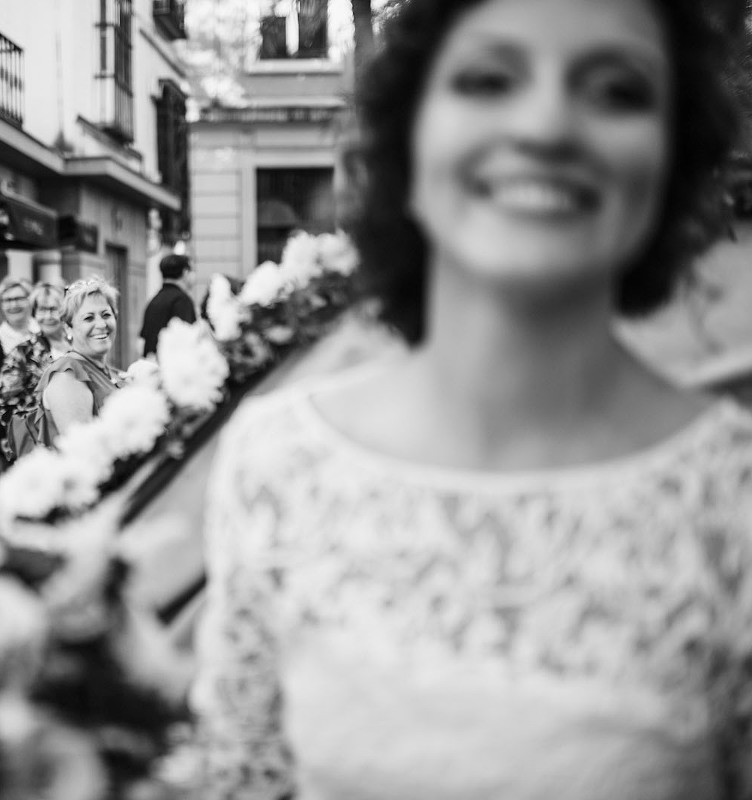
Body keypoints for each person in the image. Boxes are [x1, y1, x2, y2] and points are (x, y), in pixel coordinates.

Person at [194, 0, 752, 797]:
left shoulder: (735, 499)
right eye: (489, 79)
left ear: (671, 160)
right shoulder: (277, 463)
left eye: (618, 91)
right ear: (409, 138)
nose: (548, 126)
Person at [33, 278, 126, 443]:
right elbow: (84, 451)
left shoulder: (107, 371)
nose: (101, 324)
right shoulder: (67, 376)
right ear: (68, 328)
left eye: (106, 315)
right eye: (88, 318)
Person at [0, 281, 70, 462]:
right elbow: (3, 404)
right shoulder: (23, 352)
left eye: (54, 309)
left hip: (75, 436)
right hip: (39, 445)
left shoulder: (76, 346)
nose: (47, 316)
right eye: (41, 310)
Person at [0, 277, 38, 474]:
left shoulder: (42, 331)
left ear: (29, 300)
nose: (13, 304)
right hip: (9, 430)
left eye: (18, 298)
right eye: (7, 300)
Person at [139, 253, 196, 358]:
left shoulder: (154, 301)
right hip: (172, 368)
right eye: (192, 271)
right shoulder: (182, 300)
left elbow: (144, 339)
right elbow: (187, 340)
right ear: (185, 272)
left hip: (152, 366)